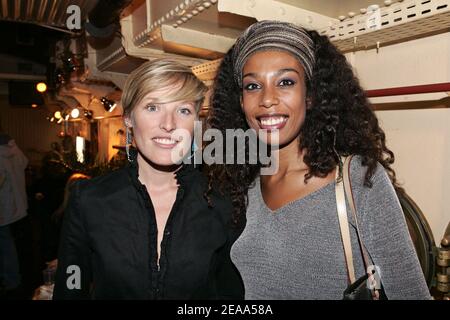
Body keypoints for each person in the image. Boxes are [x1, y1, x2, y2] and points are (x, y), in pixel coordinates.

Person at [206, 20, 431, 299]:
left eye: (285, 82)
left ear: (311, 95)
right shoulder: (243, 184)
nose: (267, 99)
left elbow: (412, 294)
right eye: (253, 86)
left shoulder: (358, 180)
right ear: (240, 101)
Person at [53, 59, 244, 299]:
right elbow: (71, 289)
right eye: (153, 107)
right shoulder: (89, 200)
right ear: (129, 119)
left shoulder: (222, 201)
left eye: (183, 110)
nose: (168, 124)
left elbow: (230, 293)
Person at [0, 127, 28, 294]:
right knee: (9, 243)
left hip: (5, 207)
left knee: (6, 245)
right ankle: (12, 279)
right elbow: (24, 164)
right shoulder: (14, 150)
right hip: (17, 206)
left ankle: (11, 280)